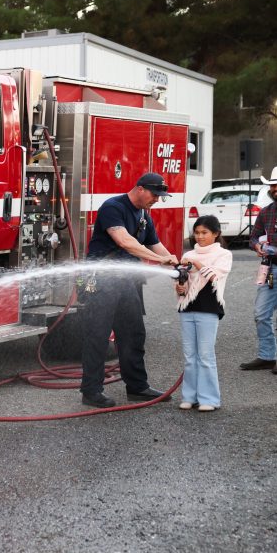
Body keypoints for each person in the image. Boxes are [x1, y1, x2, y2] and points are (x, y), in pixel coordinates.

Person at [80, 172, 179, 408]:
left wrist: (176, 262)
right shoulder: (112, 207)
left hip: (125, 281)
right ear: (141, 189)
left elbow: (154, 243)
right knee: (98, 336)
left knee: (133, 333)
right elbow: (125, 241)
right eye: (155, 194)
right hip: (101, 279)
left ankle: (137, 387)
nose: (157, 199)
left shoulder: (144, 215)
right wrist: (158, 260)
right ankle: (91, 391)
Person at [174, 215, 232, 411]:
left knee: (205, 356)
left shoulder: (223, 255)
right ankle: (189, 396)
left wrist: (196, 264)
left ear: (216, 234)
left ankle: (209, 399)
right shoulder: (190, 254)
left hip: (209, 309)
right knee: (190, 356)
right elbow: (184, 282)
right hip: (187, 309)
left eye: (204, 233)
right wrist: (180, 287)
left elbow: (214, 277)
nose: (199, 236)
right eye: (197, 232)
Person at [239, 166, 277, 375]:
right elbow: (253, 237)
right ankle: (267, 357)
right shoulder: (266, 212)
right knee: (261, 314)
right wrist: (257, 246)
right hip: (270, 268)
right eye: (273, 185)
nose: (276, 188)